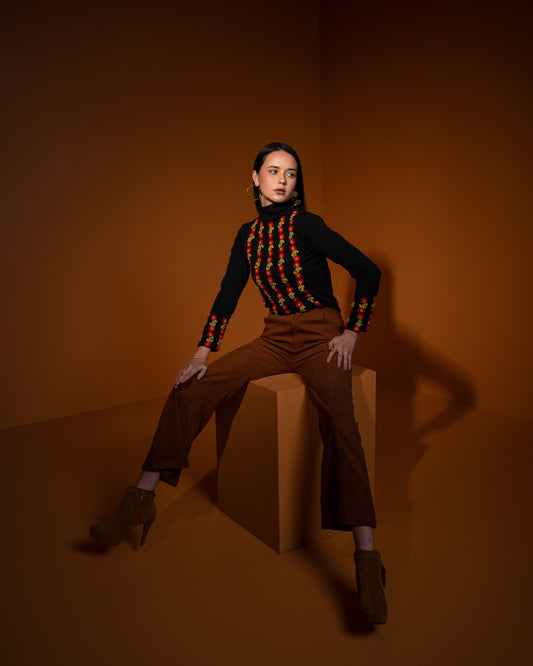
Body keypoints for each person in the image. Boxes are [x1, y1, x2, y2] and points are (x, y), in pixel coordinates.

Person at [90, 142, 387, 624]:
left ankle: (368, 561)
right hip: (275, 338)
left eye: (291, 173)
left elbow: (368, 272)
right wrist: (201, 354)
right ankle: (139, 502)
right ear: (255, 178)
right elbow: (227, 293)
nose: (283, 180)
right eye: (273, 171)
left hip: (321, 337)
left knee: (341, 421)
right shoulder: (247, 236)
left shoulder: (307, 224)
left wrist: (352, 332)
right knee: (190, 387)